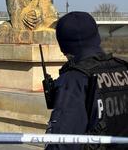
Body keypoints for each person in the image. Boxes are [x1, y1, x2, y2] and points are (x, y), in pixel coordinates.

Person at [46, 11, 128, 150]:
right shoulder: (124, 68)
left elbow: (62, 142)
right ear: (97, 37)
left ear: (64, 47)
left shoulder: (75, 79)